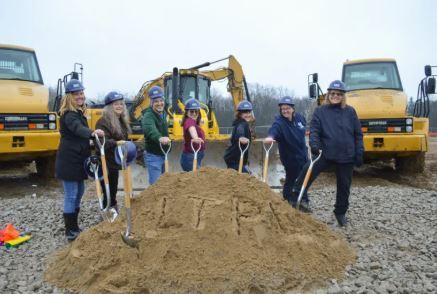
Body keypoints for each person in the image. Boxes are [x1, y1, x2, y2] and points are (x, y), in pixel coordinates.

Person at [292, 80, 364, 226]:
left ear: (343, 96)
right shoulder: (320, 111)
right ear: (328, 95)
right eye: (332, 93)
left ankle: (340, 213)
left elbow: (358, 134)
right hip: (326, 152)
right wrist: (314, 145)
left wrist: (359, 151)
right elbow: (315, 131)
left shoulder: (350, 112)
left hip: (346, 155)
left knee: (344, 186)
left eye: (338, 94)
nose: (335, 96)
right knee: (309, 167)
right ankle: (296, 193)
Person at [55, 79, 105, 241]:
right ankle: (70, 230)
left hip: (78, 160)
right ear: (69, 97)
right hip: (69, 160)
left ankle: (74, 226)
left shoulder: (78, 113)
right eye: (76, 94)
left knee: (79, 193)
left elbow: (78, 135)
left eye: (81, 93)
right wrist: (93, 133)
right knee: (71, 195)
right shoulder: (69, 115)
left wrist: (90, 142)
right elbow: (78, 129)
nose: (80, 96)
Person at [263, 96, 310, 211]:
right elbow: (273, 131)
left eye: (287, 108)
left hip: (303, 154)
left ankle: (302, 199)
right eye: (283, 109)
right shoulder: (279, 123)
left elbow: (303, 129)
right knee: (292, 177)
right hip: (290, 157)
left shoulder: (300, 118)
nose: (285, 111)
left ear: (293, 109)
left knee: (304, 177)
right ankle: (289, 199)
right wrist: (270, 137)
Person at [95, 91, 131, 213]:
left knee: (113, 189)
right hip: (104, 162)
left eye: (121, 104)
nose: (119, 106)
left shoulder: (121, 121)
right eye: (116, 104)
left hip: (114, 161)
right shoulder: (103, 122)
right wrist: (116, 142)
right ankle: (107, 212)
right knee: (108, 190)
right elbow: (101, 142)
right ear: (110, 107)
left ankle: (112, 208)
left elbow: (125, 139)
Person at [141, 85, 171, 184]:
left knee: (164, 183)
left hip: (163, 153)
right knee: (156, 185)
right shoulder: (148, 115)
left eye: (161, 100)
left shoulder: (163, 113)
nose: (159, 103)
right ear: (151, 102)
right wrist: (159, 137)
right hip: (153, 156)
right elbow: (150, 129)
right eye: (156, 101)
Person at [224, 100, 253, 173]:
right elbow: (240, 130)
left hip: (237, 158)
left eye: (249, 112)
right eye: (245, 112)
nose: (248, 114)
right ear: (239, 114)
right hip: (234, 160)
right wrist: (241, 137)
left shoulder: (241, 123)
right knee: (244, 178)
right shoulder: (242, 124)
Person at [180, 98, 206, 171]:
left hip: (196, 156)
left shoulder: (194, 122)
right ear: (187, 112)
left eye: (196, 111)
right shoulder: (189, 121)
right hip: (190, 158)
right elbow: (191, 129)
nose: (194, 113)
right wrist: (195, 138)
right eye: (191, 111)